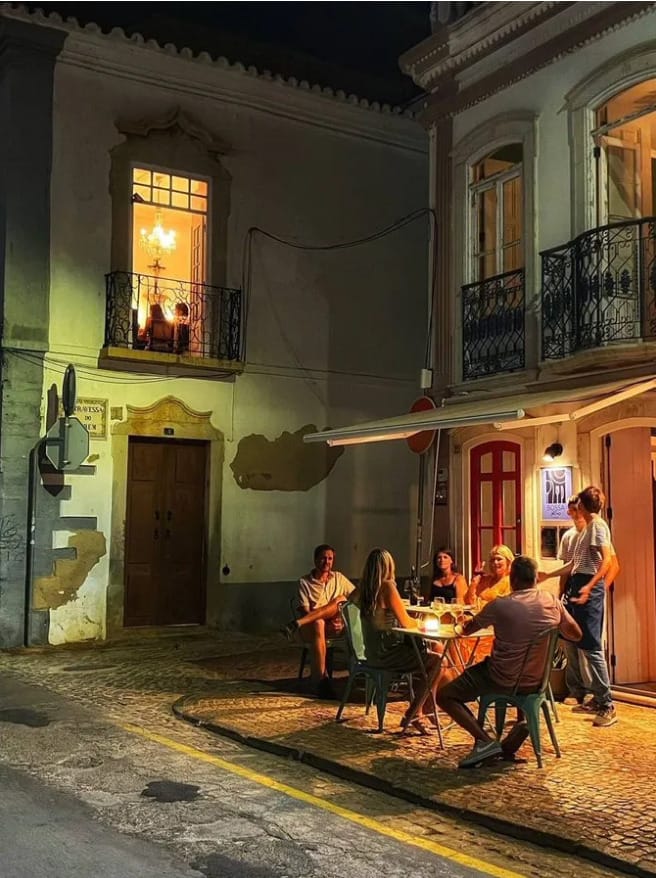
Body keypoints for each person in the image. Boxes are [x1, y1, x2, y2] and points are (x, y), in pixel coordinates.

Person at [436, 555, 582, 769]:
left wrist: (458, 624)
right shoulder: (552, 601)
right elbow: (576, 634)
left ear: (512, 579)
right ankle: (508, 740)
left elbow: (467, 629)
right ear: (535, 578)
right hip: (537, 681)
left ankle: (485, 741)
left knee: (445, 695)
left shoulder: (500, 605)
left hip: (501, 678)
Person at [540, 486, 618, 727]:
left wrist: (590, 587)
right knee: (578, 641)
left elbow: (607, 560)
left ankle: (607, 704)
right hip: (579, 583)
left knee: (592, 646)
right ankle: (596, 697)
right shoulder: (586, 530)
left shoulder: (598, 527)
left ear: (582, 506)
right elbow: (575, 564)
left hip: (588, 586)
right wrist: (548, 575)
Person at [351, 547, 443, 732]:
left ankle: (422, 708)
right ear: (389, 566)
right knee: (437, 661)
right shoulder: (387, 587)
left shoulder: (363, 589)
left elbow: (348, 603)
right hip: (388, 653)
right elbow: (407, 622)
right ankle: (415, 712)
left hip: (371, 651)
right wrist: (422, 623)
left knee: (434, 650)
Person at [282, 544, 354, 698]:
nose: (327, 562)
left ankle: (296, 624)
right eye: (323, 558)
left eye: (330, 559)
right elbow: (305, 612)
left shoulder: (339, 578)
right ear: (315, 560)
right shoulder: (304, 582)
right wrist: (326, 618)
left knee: (341, 599)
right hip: (311, 628)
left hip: (334, 627)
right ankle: (321, 680)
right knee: (318, 622)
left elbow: (355, 597)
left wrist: (341, 618)